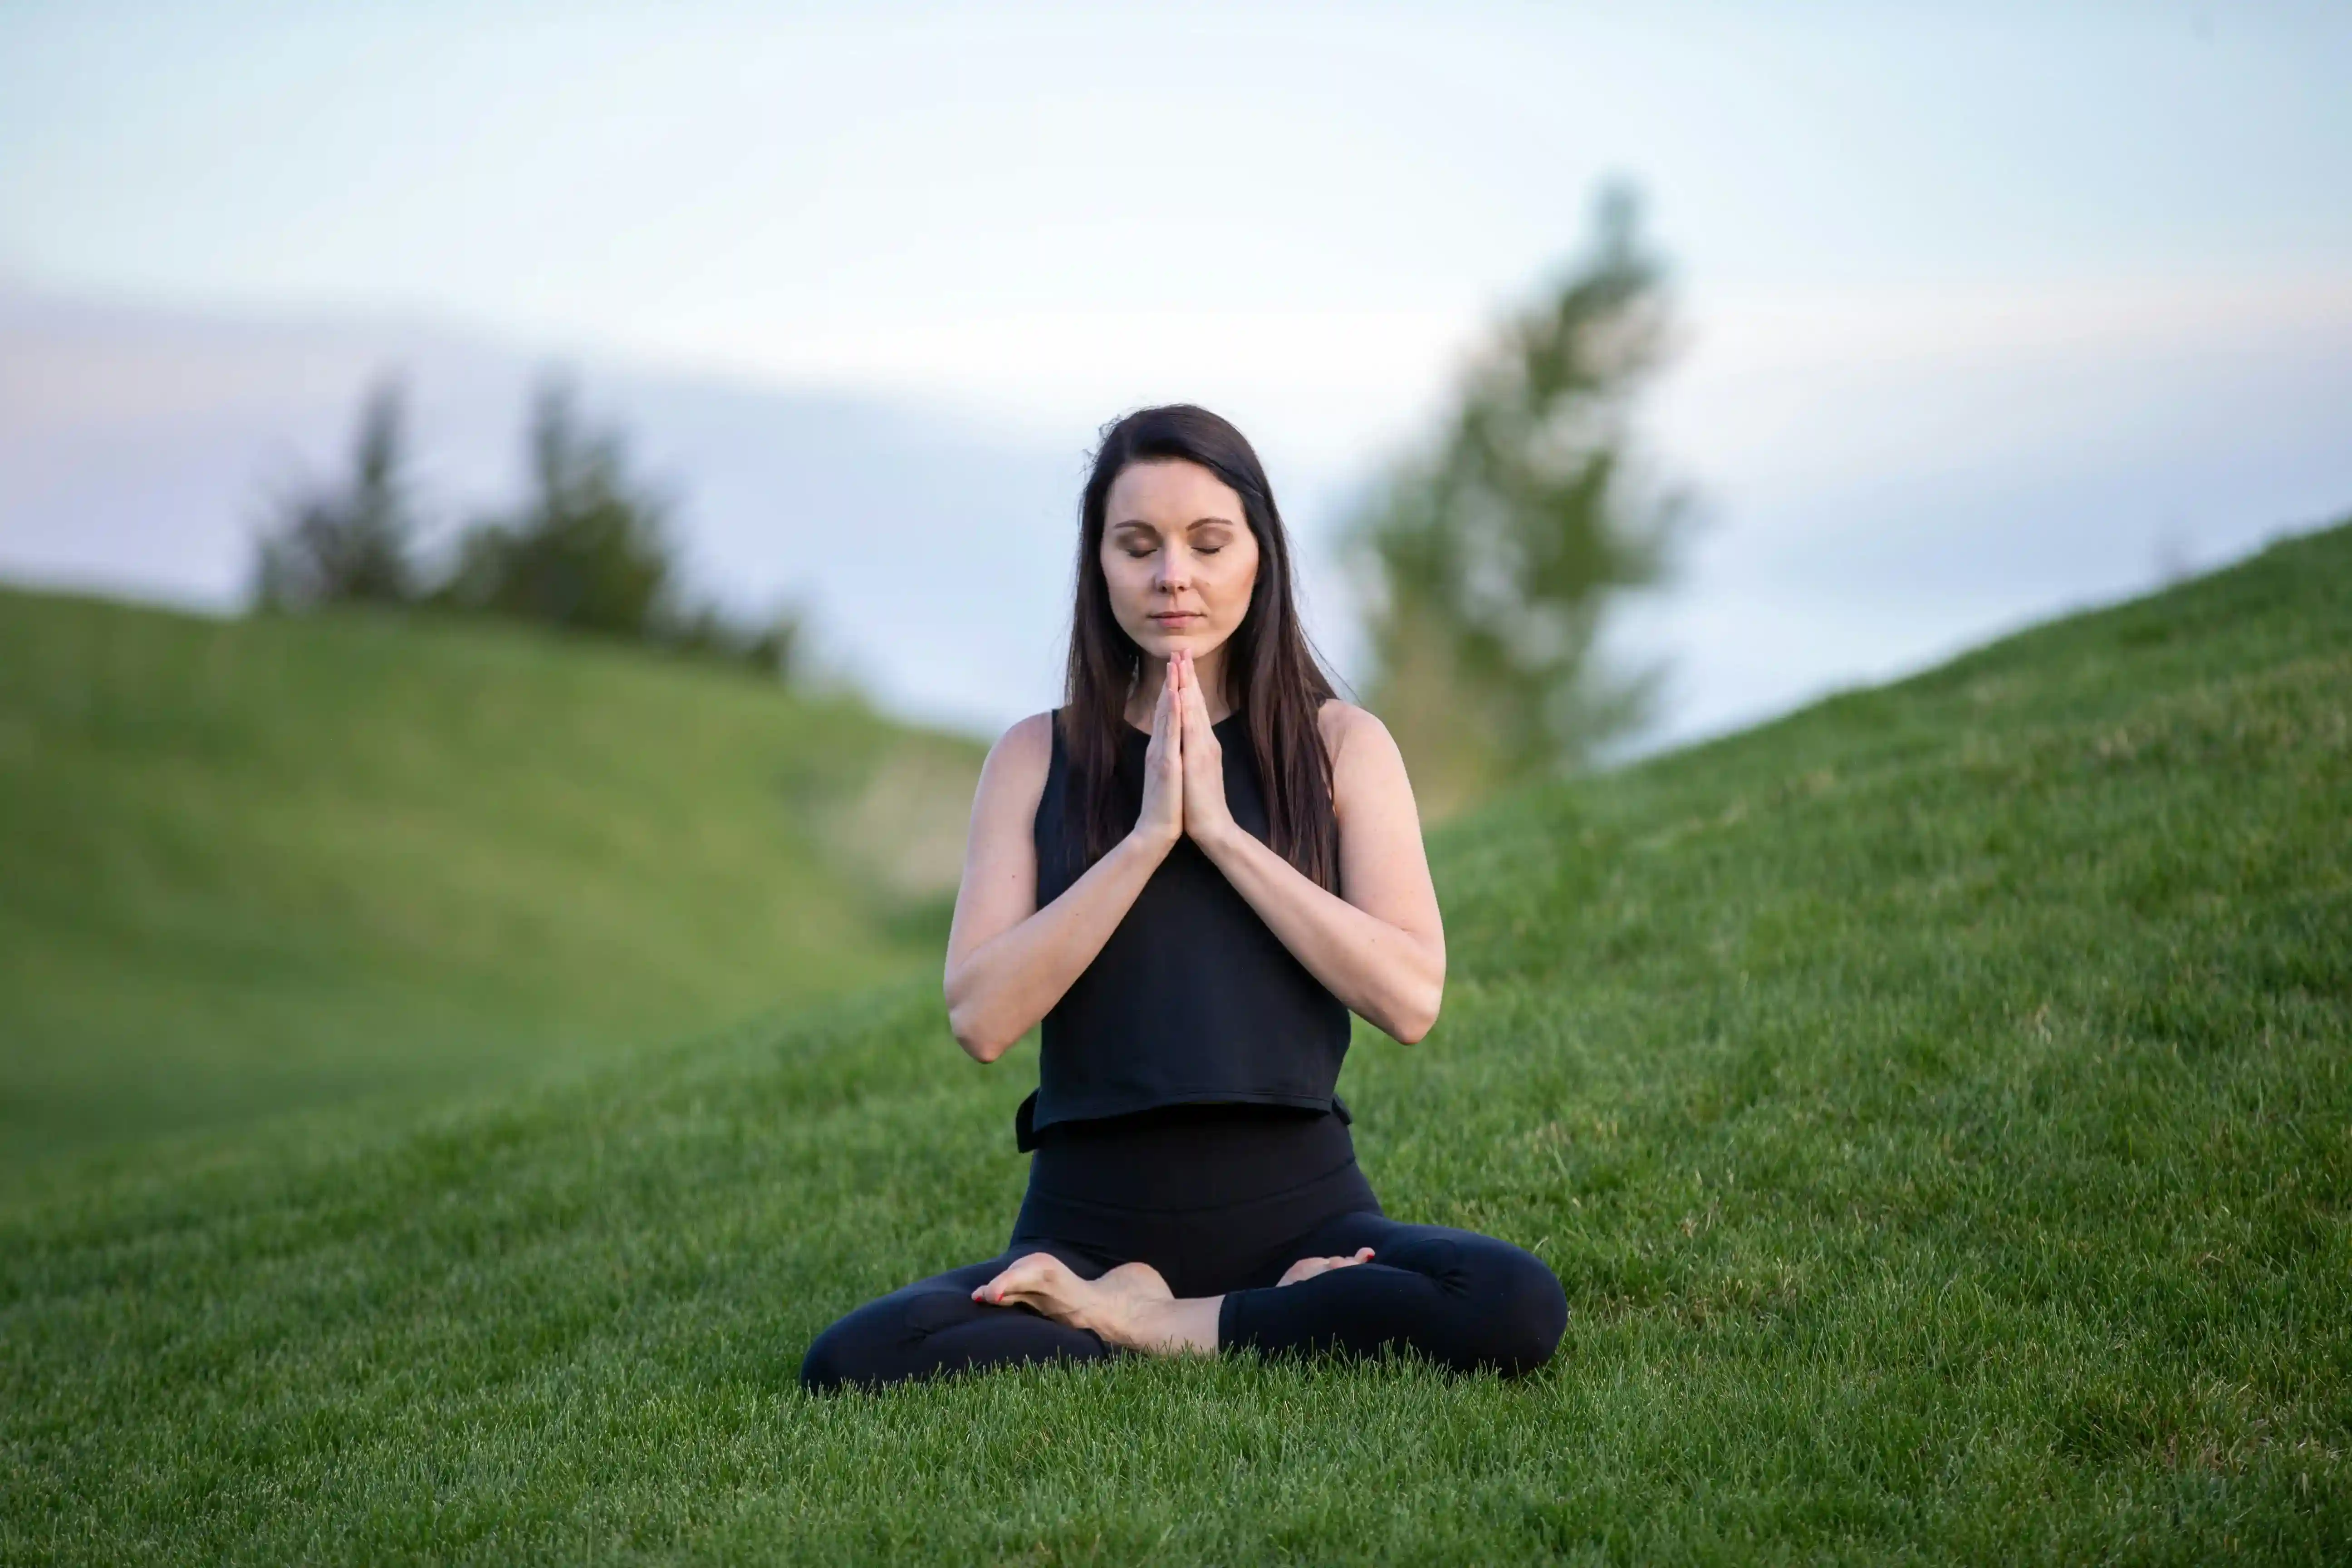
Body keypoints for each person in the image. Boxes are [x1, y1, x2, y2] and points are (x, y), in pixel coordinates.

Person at [799, 404, 1567, 1392]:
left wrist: (1223, 834)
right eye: (1138, 546)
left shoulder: (1343, 748)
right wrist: (1151, 834)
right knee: (855, 1359)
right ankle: (1214, 1312)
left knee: (1511, 1303)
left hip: (1307, 1214)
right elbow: (980, 1017)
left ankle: (1154, 1324)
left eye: (1209, 543)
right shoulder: (1034, 757)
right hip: (1087, 1228)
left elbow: (1411, 999)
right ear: (1100, 564)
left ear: (1260, 555)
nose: (1174, 575)